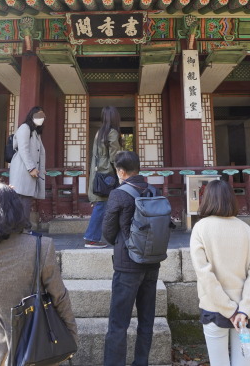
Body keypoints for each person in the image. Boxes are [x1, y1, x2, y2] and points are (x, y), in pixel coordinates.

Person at [0, 183, 76, 365]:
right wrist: (71, 334)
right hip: (33, 343)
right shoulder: (41, 247)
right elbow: (59, 296)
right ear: (17, 209)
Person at [190, 180, 250, 366]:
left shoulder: (200, 228)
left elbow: (205, 274)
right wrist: (244, 310)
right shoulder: (248, 231)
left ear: (206, 200)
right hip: (245, 313)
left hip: (215, 310)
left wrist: (228, 309)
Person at [102, 151, 163, 366]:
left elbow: (108, 232)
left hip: (127, 266)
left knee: (118, 323)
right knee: (146, 321)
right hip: (152, 264)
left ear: (121, 172)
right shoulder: (154, 190)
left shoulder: (119, 194)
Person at [85, 106, 123, 248]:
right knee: (101, 206)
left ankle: (94, 237)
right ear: (114, 117)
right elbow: (115, 157)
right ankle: (91, 238)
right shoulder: (112, 133)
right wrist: (121, 173)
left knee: (103, 205)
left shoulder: (99, 133)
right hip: (108, 175)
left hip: (98, 174)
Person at [9, 106, 47, 229]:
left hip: (28, 170)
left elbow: (38, 153)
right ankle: (23, 229)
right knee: (22, 199)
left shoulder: (35, 132)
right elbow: (23, 149)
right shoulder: (25, 128)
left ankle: (23, 229)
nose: (41, 119)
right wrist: (31, 168)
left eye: (43, 116)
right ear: (32, 116)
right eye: (38, 116)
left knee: (25, 200)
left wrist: (40, 168)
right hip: (23, 169)